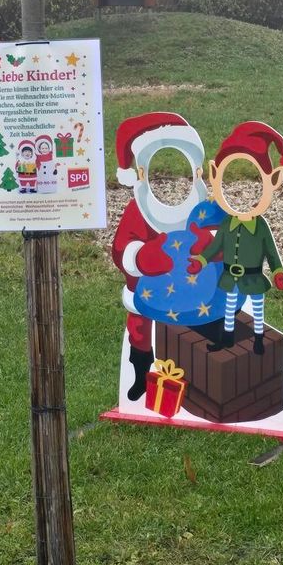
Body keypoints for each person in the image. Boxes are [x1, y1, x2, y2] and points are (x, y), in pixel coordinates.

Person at [111, 113, 213, 400]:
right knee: (141, 331)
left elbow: (213, 238)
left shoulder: (199, 209)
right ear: (141, 175)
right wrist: (142, 257)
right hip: (146, 289)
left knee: (194, 331)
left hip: (192, 288)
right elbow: (121, 249)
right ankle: (141, 376)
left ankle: (196, 379)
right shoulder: (138, 211)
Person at [188, 122, 283, 355]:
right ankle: (227, 339)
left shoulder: (260, 226)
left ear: (273, 181)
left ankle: (258, 339)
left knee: (257, 309)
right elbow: (215, 246)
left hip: (254, 278)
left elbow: (271, 252)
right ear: (215, 175)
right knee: (229, 307)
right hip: (230, 277)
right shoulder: (227, 223)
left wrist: (277, 271)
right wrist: (201, 261)